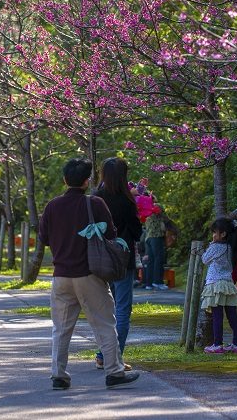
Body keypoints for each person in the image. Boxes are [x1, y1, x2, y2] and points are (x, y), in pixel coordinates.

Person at [38, 158, 139, 390]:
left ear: (65, 180)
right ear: (87, 181)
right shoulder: (94, 204)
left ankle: (59, 375)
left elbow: (43, 238)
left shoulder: (52, 206)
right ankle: (114, 371)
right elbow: (112, 234)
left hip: (61, 276)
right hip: (89, 274)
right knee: (104, 323)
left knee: (61, 329)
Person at [93, 157, 142, 369]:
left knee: (104, 309)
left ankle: (103, 354)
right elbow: (137, 232)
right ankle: (111, 357)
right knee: (122, 309)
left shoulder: (95, 199)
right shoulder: (126, 200)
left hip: (99, 260)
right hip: (123, 259)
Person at [201, 218, 237, 354]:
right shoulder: (231, 247)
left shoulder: (216, 247)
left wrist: (211, 244)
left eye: (215, 232)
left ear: (223, 234)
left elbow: (204, 259)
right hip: (227, 283)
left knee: (217, 316)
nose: (213, 235)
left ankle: (217, 344)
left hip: (215, 284)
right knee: (233, 316)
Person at [142, 203, 167, 290]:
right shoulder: (157, 210)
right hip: (156, 237)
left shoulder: (146, 212)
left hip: (148, 238)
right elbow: (164, 218)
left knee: (150, 261)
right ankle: (158, 281)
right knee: (158, 260)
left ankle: (148, 283)